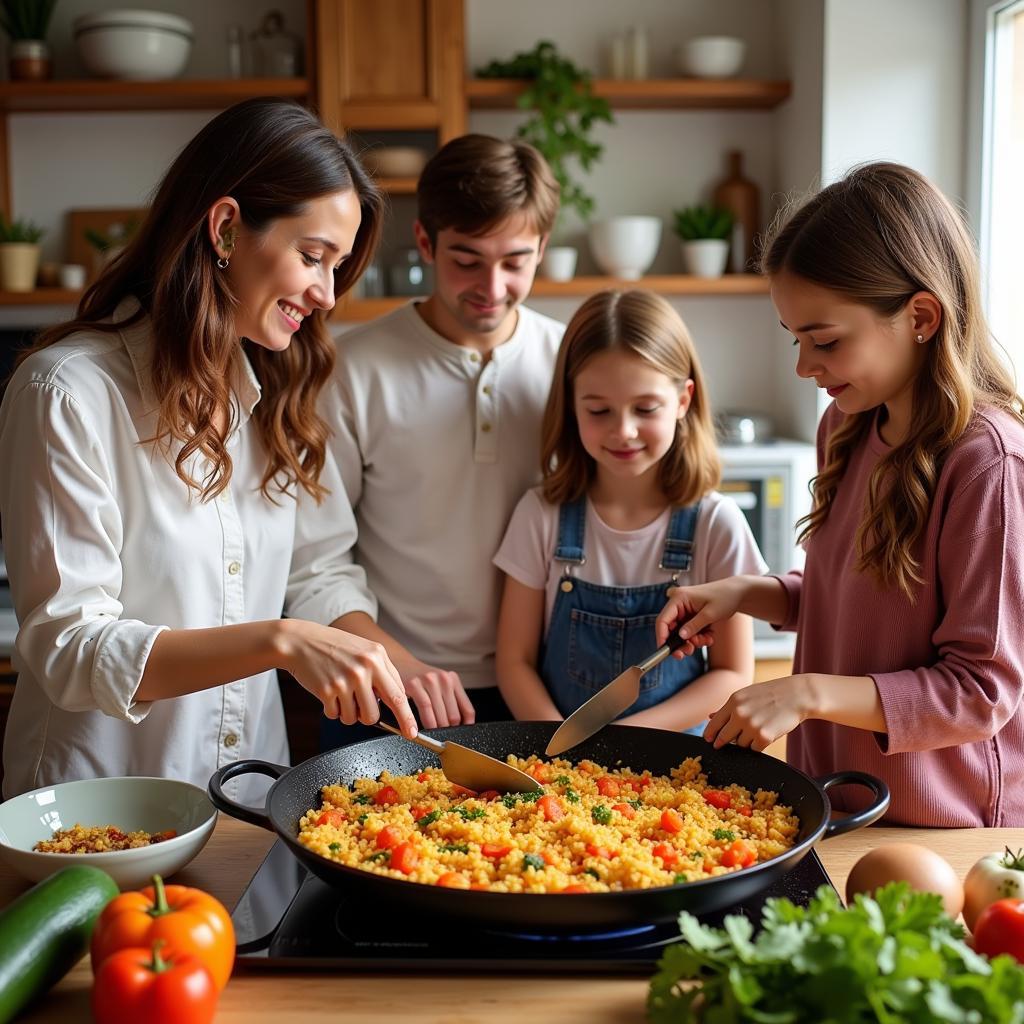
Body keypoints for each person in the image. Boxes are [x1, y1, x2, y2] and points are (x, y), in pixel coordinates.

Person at [0, 98, 419, 801]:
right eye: (312, 257)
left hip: (249, 802)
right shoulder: (68, 392)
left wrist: (389, 657)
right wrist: (279, 642)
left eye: (336, 267)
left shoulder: (276, 395)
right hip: (102, 815)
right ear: (225, 227)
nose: (325, 294)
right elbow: (68, 649)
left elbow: (312, 572)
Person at [656, 162, 1024, 827]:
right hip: (837, 799)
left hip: (944, 825)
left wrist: (805, 694)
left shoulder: (987, 463)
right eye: (795, 339)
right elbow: (861, 606)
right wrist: (749, 593)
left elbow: (980, 692)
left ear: (920, 316)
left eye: (824, 340)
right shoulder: (847, 426)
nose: (804, 367)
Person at [318, 133, 564, 749]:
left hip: (547, 684)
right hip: (386, 685)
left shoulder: (572, 364)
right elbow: (314, 561)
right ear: (425, 242)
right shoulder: (352, 370)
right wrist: (396, 662)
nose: (492, 285)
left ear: (543, 250)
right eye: (467, 259)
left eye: (515, 261)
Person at [494, 289, 766, 733]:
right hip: (561, 763)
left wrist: (626, 741)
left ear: (683, 401)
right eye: (599, 410)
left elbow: (732, 672)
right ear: (571, 404)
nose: (623, 431)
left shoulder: (716, 523)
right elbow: (514, 661)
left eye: (645, 408)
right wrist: (563, 747)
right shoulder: (540, 514)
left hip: (675, 768)